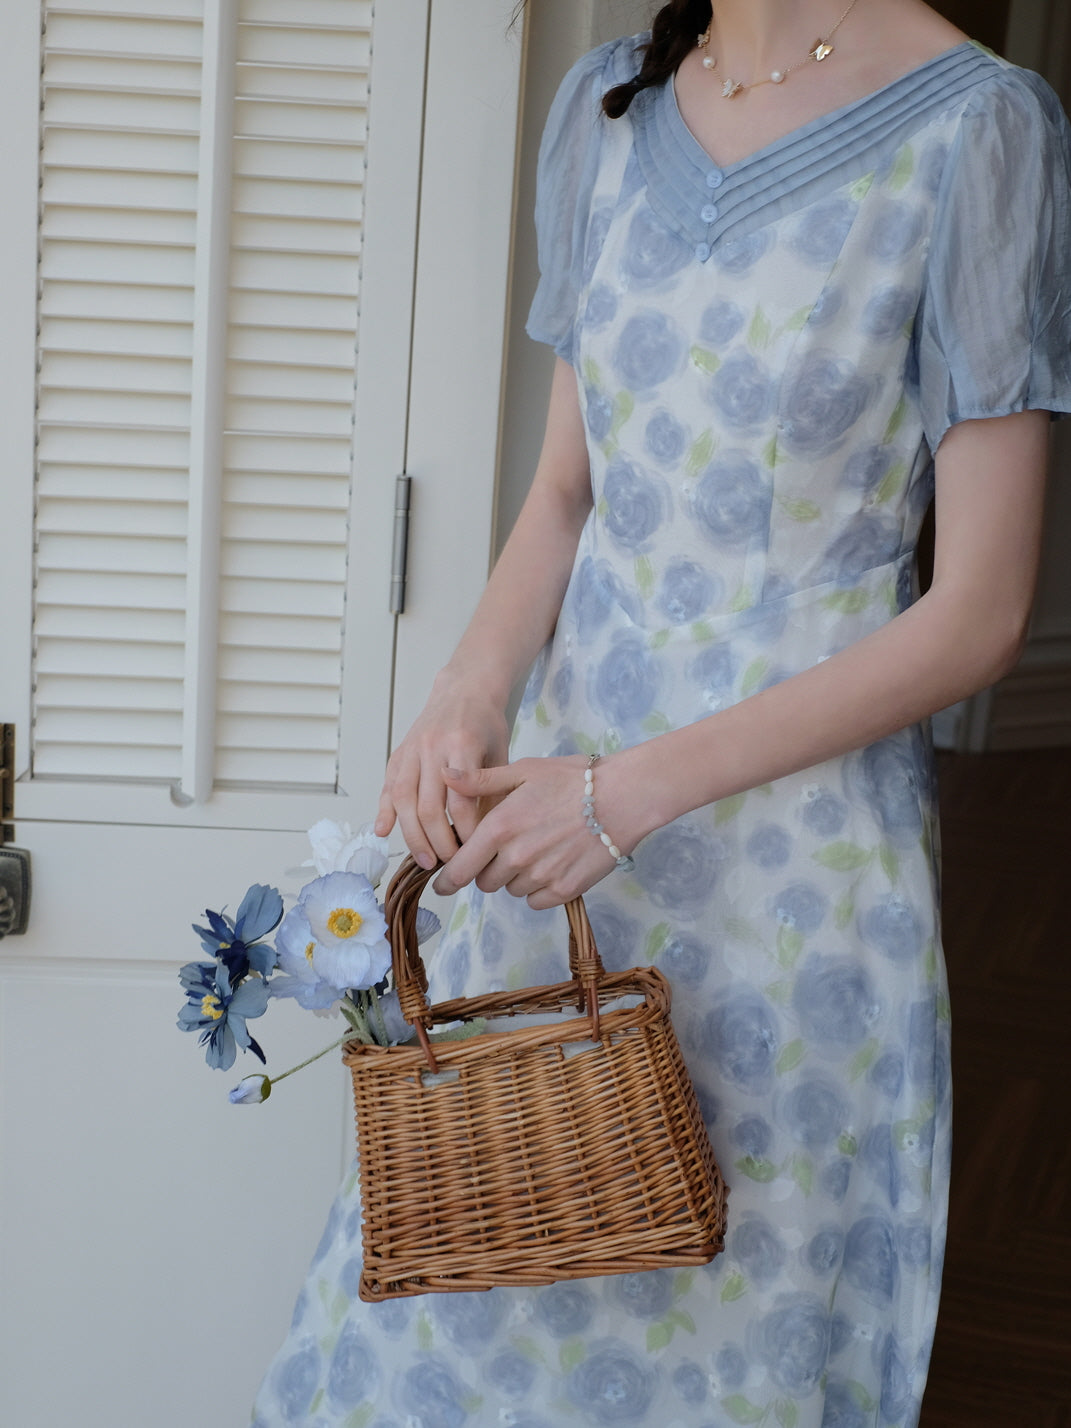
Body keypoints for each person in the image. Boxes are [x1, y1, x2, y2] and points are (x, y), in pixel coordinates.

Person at [252, 1, 1071, 1423]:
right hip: (552, 842)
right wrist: (464, 697)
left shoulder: (979, 128)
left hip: (790, 877)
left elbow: (984, 610)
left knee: (731, 1343)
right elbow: (568, 496)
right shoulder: (610, 109)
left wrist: (626, 792)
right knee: (461, 1312)